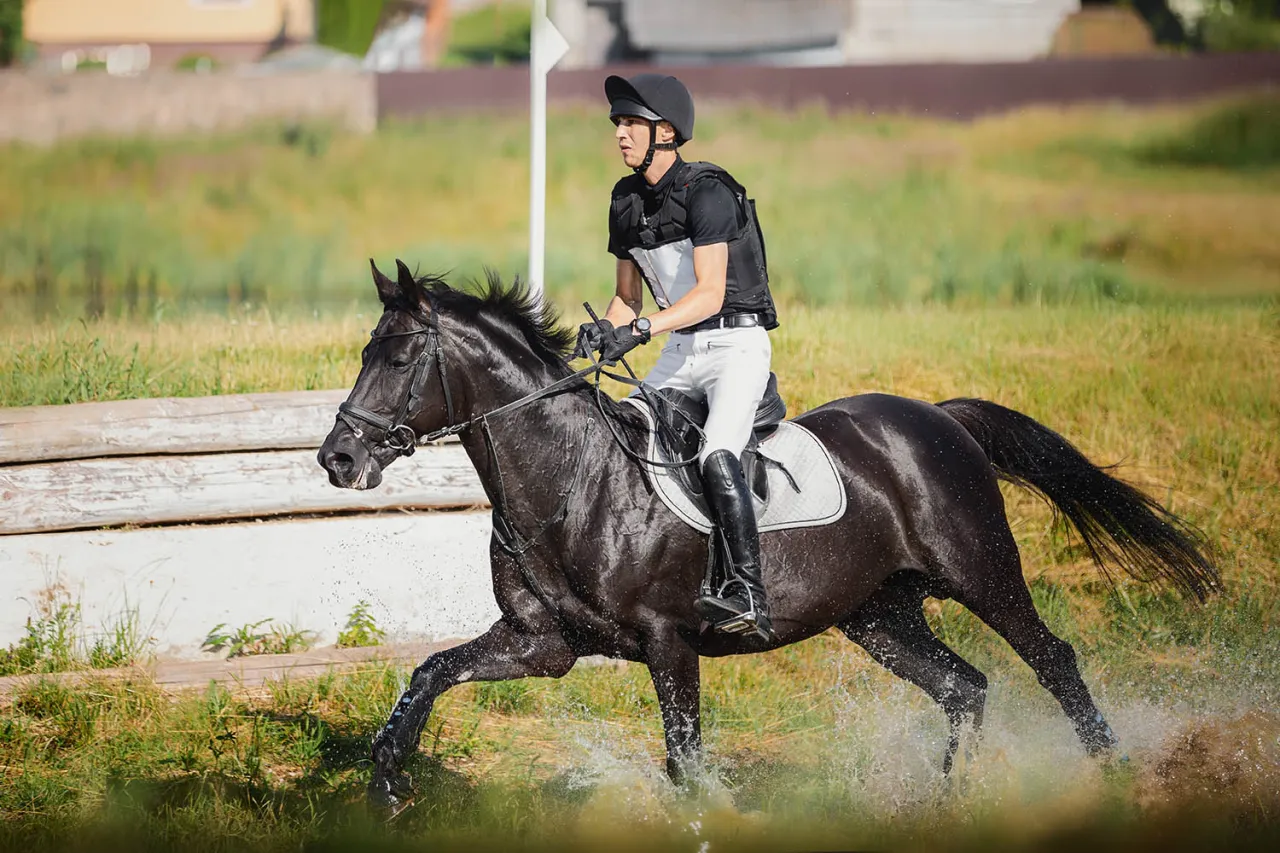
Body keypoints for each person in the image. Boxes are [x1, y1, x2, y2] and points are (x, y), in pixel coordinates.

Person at [573, 73, 781, 641]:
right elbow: (626, 296)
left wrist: (639, 329)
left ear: (664, 132)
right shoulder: (625, 200)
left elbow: (709, 294)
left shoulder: (709, 192)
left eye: (630, 124)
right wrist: (602, 332)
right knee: (619, 433)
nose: (619, 134)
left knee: (716, 453)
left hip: (736, 346)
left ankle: (748, 591)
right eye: (616, 124)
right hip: (681, 347)